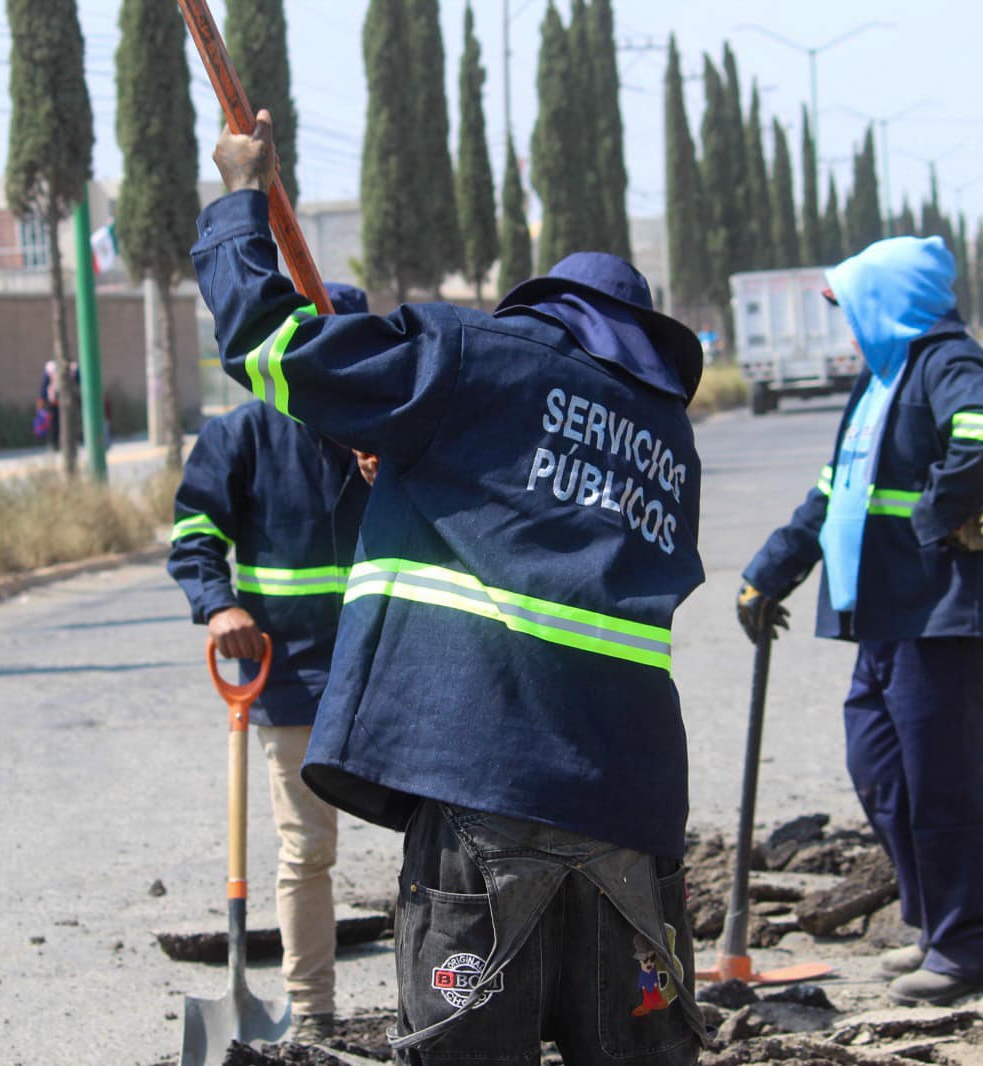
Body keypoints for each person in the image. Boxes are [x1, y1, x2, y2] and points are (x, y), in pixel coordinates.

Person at [194, 110, 710, 1062]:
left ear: (544, 310)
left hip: (489, 780)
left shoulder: (481, 359)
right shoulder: (667, 441)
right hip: (630, 802)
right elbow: (542, 527)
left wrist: (239, 200)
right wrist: (424, 472)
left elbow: (271, 347)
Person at [737, 236, 983, 1007]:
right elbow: (835, 490)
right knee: (880, 770)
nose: (845, 324)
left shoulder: (946, 362)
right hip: (888, 614)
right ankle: (938, 926)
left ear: (888, 300)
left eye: (852, 305)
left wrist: (945, 514)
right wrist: (772, 570)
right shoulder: (881, 381)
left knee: (943, 782)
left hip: (941, 610)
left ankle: (965, 947)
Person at [166, 280, 373, 1042]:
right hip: (286, 674)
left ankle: (442, 996)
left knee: (437, 840)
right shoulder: (242, 438)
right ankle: (313, 1013)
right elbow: (194, 537)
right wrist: (220, 607)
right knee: (308, 848)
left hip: (385, 671)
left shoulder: (389, 439)